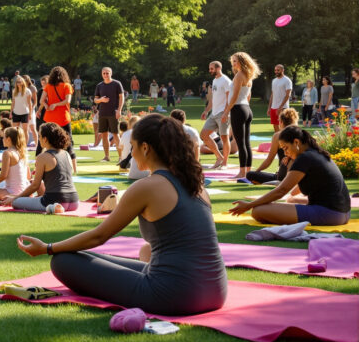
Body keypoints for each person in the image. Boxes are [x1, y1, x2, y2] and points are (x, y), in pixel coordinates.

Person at [17, 113, 227, 316]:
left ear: (145, 148)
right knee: (88, 257)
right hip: (216, 291)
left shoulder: (147, 186)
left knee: (62, 261)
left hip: (175, 296)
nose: (131, 154)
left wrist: (47, 248)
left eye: (132, 147)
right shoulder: (196, 185)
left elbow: (100, 236)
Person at [230, 126, 351, 226]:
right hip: (343, 213)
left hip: (330, 214)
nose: (285, 153)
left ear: (296, 142)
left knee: (258, 211)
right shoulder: (316, 154)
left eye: (285, 148)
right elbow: (293, 190)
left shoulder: (305, 158)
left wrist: (249, 205)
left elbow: (281, 190)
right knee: (289, 201)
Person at [3, 122, 79, 213]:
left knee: (15, 202)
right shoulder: (66, 154)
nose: (39, 139)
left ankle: (52, 208)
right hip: (74, 201)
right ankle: (54, 207)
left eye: (39, 137)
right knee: (33, 199)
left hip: (54, 200)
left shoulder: (42, 157)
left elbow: (35, 185)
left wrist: (15, 197)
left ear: (45, 139)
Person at [223, 52, 260, 179]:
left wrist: (227, 111)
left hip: (238, 109)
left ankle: (242, 173)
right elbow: (248, 96)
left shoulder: (239, 75)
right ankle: (247, 171)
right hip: (246, 109)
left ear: (242, 62)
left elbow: (234, 96)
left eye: (235, 61)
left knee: (240, 143)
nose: (233, 64)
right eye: (232, 61)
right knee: (246, 143)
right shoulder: (248, 75)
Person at [247, 108, 299, 185]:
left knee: (250, 175)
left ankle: (275, 182)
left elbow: (269, 160)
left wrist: (257, 172)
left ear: (281, 122)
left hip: (282, 175)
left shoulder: (278, 136)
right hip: (297, 175)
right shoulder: (300, 134)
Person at [39, 66, 77, 165]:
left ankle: (42, 163)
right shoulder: (67, 86)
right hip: (63, 117)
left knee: (47, 141)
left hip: (50, 117)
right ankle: (74, 167)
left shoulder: (48, 86)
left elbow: (41, 100)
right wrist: (56, 104)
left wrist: (47, 105)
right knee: (69, 142)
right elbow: (67, 101)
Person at [200, 61, 232, 169]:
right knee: (203, 135)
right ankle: (219, 157)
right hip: (214, 114)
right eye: (210, 68)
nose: (210, 71)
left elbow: (229, 99)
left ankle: (225, 163)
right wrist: (206, 111)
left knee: (224, 138)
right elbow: (212, 99)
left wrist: (226, 113)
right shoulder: (214, 81)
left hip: (223, 113)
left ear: (218, 68)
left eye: (211, 68)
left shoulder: (226, 80)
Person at [93, 67, 124, 162]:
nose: (106, 75)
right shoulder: (99, 85)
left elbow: (121, 98)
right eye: (104, 73)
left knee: (115, 134)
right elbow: (95, 100)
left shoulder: (116, 84)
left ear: (111, 73)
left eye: (107, 73)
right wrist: (101, 100)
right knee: (104, 135)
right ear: (102, 74)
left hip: (113, 113)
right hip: (102, 113)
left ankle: (121, 157)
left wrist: (119, 110)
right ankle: (106, 157)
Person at [267, 64, 293, 132]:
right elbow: (272, 94)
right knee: (276, 129)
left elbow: (288, 95)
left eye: (278, 70)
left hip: (283, 108)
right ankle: (277, 142)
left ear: (282, 70)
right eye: (275, 70)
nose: (276, 71)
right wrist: (269, 107)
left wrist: (280, 107)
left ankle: (284, 142)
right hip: (273, 107)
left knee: (284, 129)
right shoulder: (274, 81)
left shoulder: (287, 80)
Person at [11, 77, 35, 143]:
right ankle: (15, 144)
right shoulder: (14, 91)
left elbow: (30, 103)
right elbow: (13, 102)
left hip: (25, 113)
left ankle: (25, 146)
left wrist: (30, 114)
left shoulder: (27, 91)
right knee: (15, 130)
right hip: (16, 112)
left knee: (25, 130)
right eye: (17, 82)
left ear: (23, 82)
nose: (18, 83)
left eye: (19, 81)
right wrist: (11, 112)